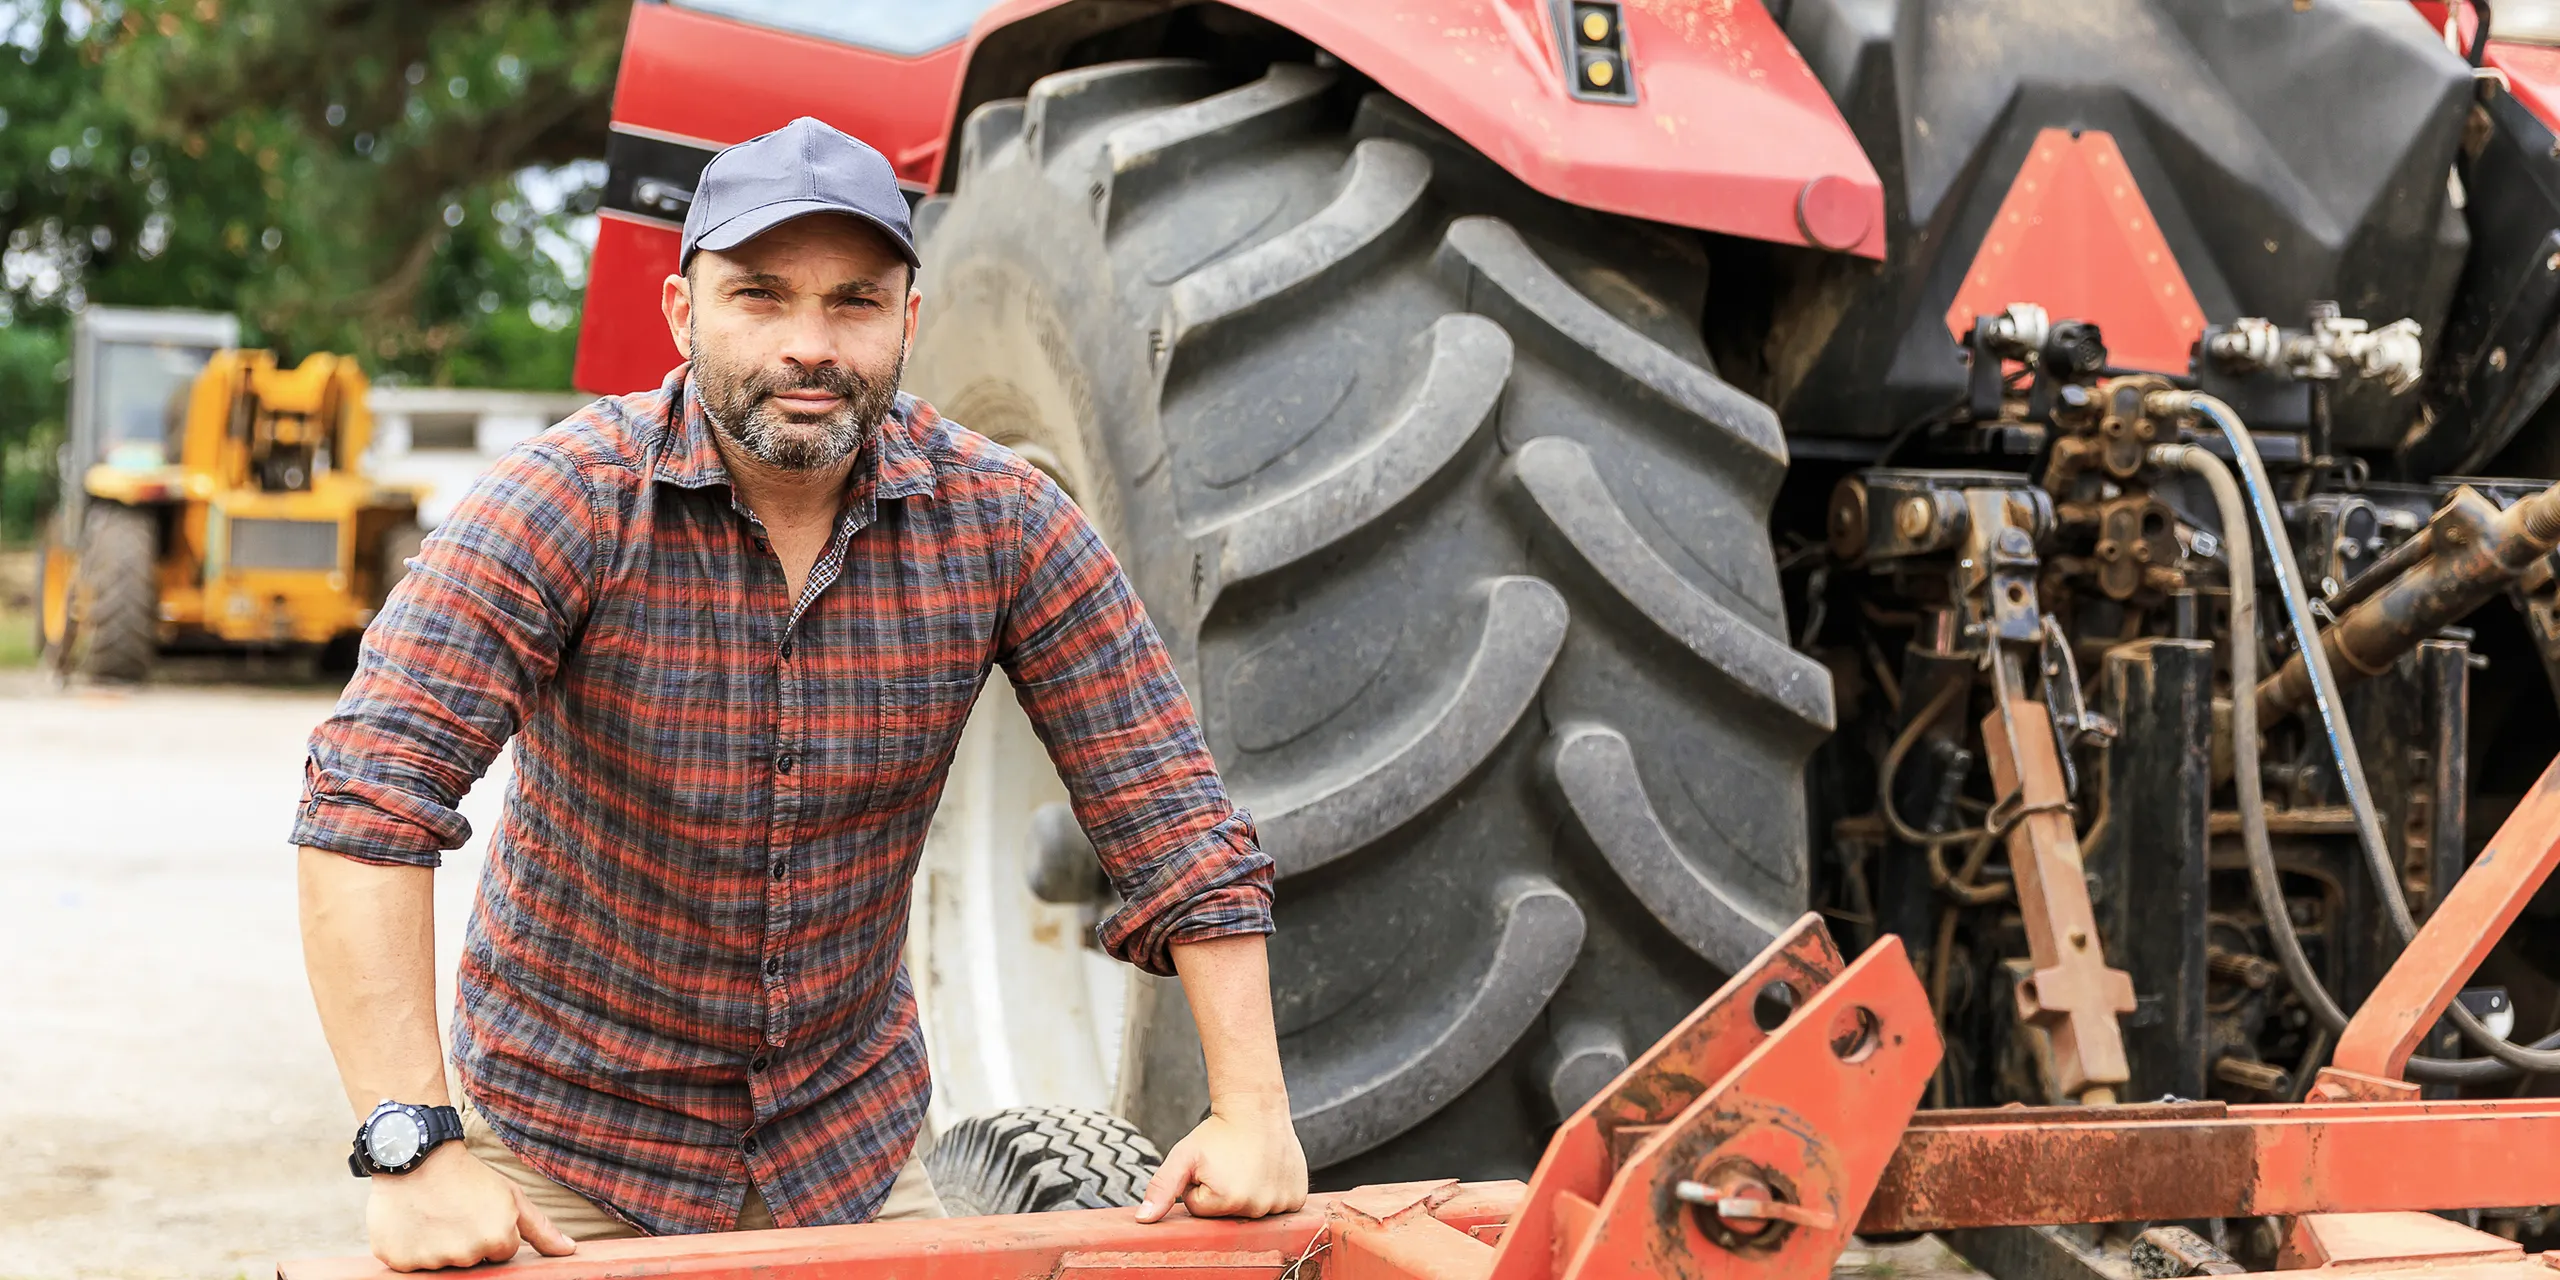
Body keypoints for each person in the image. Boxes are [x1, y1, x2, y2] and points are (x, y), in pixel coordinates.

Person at [294, 116, 1307, 1272]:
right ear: (683, 312)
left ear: (909, 320)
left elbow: (1171, 812)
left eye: (855, 302)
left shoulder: (1006, 522)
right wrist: (412, 1144)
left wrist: (1251, 1106)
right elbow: (367, 800)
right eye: (761, 297)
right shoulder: (561, 503)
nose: (809, 345)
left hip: (848, 1157)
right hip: (561, 1155)